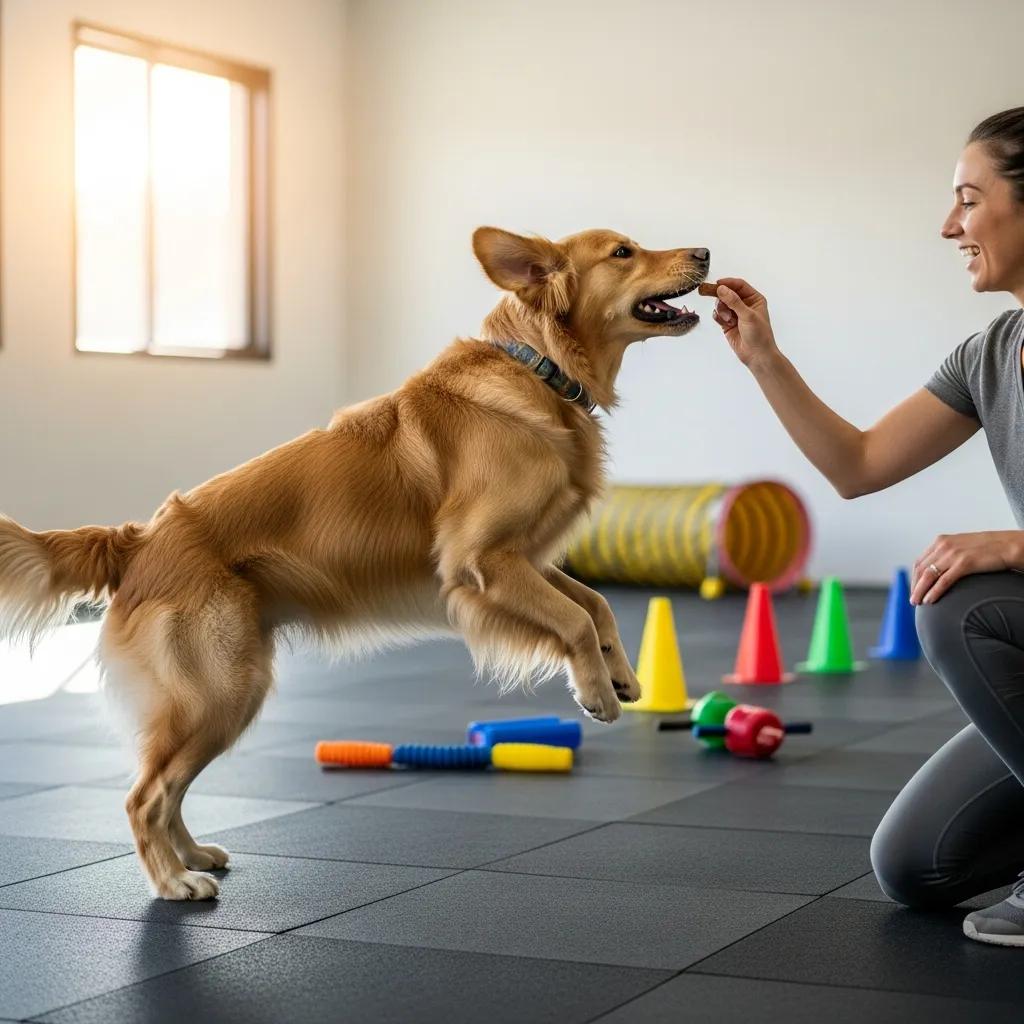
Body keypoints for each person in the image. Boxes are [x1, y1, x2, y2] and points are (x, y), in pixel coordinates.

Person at [711, 107, 1024, 947]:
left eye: (968, 198)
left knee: (963, 604)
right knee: (919, 865)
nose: (949, 225)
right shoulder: (990, 353)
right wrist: (765, 360)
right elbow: (857, 466)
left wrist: (1016, 544)